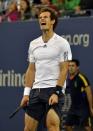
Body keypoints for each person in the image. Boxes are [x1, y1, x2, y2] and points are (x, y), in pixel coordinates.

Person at [20, 7, 72, 131]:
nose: (42, 19)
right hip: (36, 91)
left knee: (52, 126)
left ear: (53, 21)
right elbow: (31, 70)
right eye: (40, 18)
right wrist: (26, 94)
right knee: (28, 129)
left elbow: (64, 69)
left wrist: (57, 92)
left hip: (53, 90)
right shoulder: (33, 44)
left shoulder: (62, 43)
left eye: (45, 17)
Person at [65, 59, 93, 131]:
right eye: (69, 66)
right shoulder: (67, 78)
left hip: (83, 108)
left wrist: (91, 108)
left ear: (77, 67)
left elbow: (89, 93)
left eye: (73, 66)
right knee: (67, 125)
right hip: (73, 108)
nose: (70, 68)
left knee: (87, 127)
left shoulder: (81, 77)